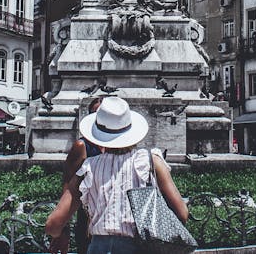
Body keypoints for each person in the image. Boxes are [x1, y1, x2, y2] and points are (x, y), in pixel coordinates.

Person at [45, 97, 188, 254]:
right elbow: (182, 213)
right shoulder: (150, 161)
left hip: (98, 248)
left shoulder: (88, 168)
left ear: (98, 133)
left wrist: (60, 234)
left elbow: (53, 224)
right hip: (141, 247)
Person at [63, 97, 103, 254]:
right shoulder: (82, 146)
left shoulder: (121, 148)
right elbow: (68, 187)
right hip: (88, 220)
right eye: (95, 113)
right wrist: (63, 227)